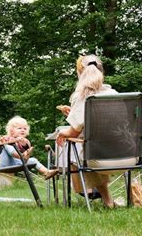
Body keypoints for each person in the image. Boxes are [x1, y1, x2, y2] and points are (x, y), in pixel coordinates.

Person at [56, 55, 136, 208]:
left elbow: (72, 133)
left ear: (80, 74)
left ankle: (104, 200)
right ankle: (108, 202)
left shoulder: (81, 97)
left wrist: (62, 133)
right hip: (130, 156)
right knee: (95, 148)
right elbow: (112, 123)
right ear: (101, 72)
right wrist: (74, 114)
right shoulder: (114, 94)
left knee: (86, 153)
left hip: (99, 160)